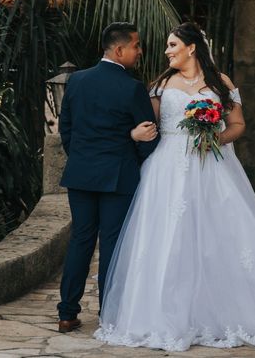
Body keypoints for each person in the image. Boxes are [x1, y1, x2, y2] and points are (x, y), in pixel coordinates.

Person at [94, 21, 255, 351]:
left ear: (191, 48)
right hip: (166, 167)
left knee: (219, 235)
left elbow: (238, 124)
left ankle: (225, 309)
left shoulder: (219, 83)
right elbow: (146, 124)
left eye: (172, 45)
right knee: (167, 238)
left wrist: (215, 138)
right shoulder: (160, 84)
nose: (166, 51)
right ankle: (163, 313)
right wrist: (132, 136)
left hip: (211, 165)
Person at [55, 22, 160, 333]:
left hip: (81, 175)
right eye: (136, 46)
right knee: (113, 245)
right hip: (119, 177)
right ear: (119, 50)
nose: (140, 52)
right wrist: (130, 145)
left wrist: (84, 158)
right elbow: (150, 138)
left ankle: (66, 313)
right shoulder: (132, 88)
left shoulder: (77, 81)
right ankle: (109, 316)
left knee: (80, 241)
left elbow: (66, 130)